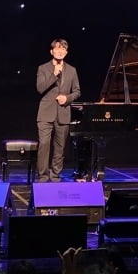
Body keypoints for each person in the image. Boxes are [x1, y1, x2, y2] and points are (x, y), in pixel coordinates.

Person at [36, 36, 80, 183]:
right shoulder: (43, 68)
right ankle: (43, 176)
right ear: (52, 51)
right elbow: (40, 88)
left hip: (63, 113)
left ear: (66, 52)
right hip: (45, 113)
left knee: (60, 148)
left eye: (63, 49)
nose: (60, 51)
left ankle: (55, 176)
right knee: (44, 145)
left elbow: (77, 91)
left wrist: (67, 98)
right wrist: (54, 74)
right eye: (57, 48)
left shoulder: (72, 70)